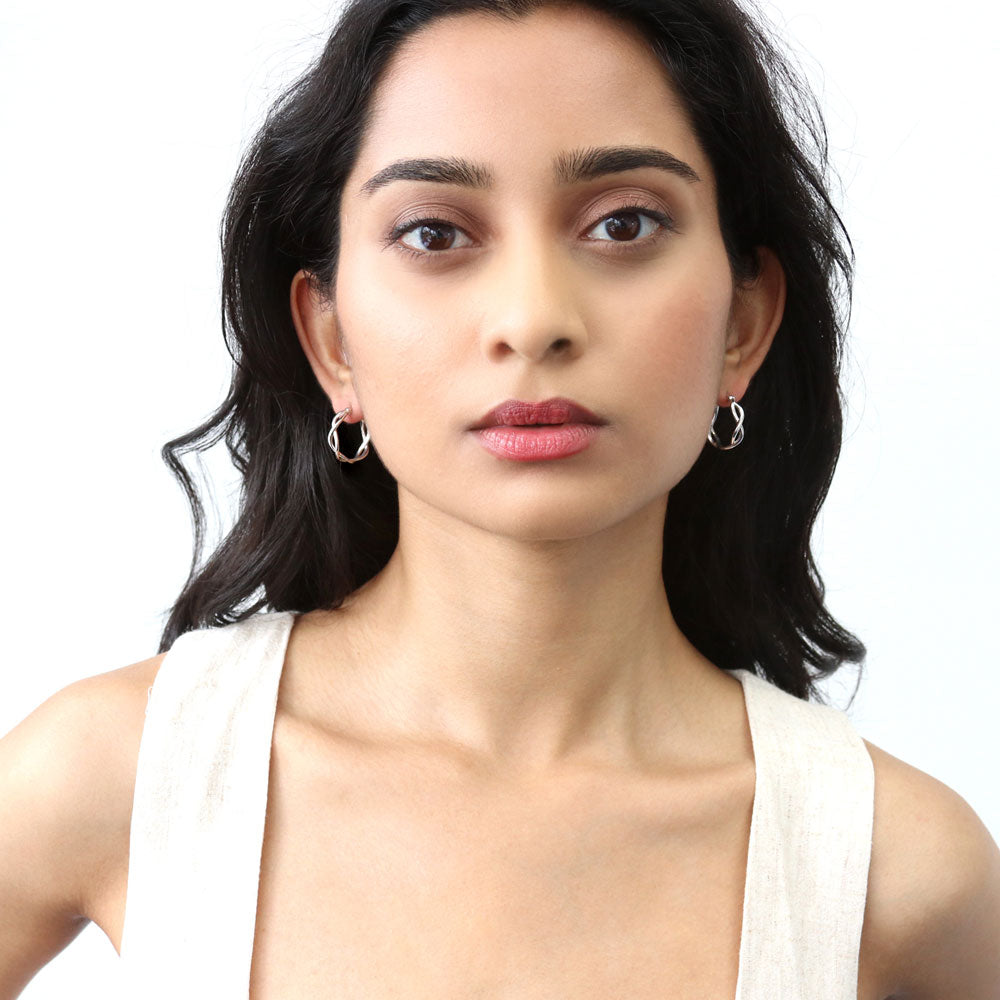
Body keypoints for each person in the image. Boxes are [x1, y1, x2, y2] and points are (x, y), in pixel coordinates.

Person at [1, 0, 998, 996]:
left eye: (623, 223)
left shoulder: (898, 869)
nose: (532, 317)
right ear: (332, 340)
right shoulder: (118, 774)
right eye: (435, 232)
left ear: (744, 322)